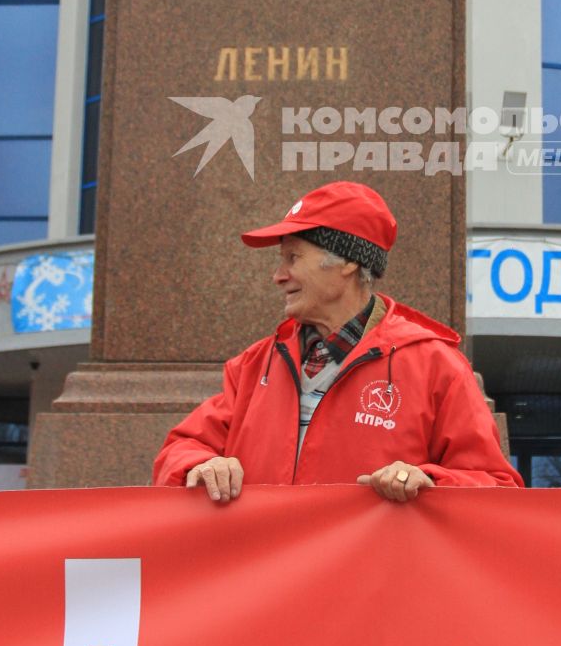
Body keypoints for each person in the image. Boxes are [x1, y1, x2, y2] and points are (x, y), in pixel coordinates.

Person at [153, 182, 521, 501]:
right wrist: (202, 465)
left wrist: (429, 482)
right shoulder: (253, 365)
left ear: (347, 262)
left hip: (374, 582)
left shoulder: (436, 365)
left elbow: (495, 485)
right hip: (269, 582)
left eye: (293, 258)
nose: (278, 276)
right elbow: (179, 450)